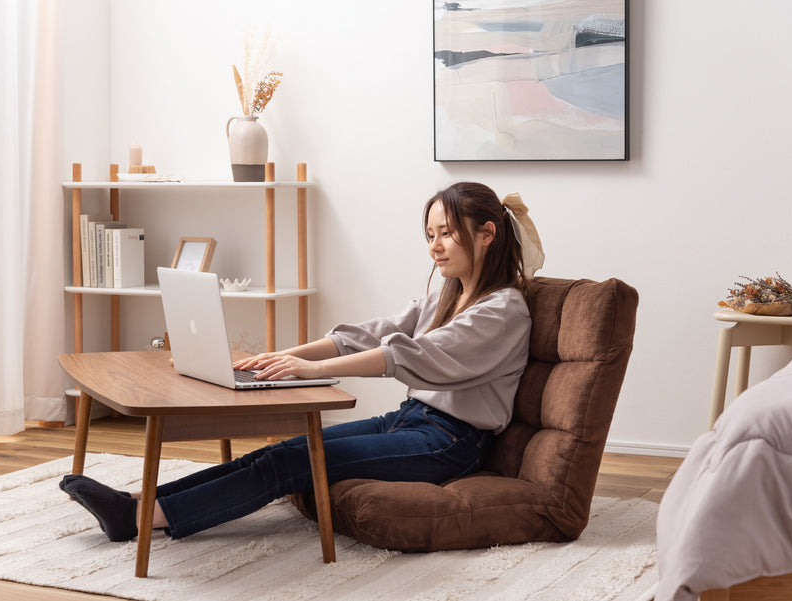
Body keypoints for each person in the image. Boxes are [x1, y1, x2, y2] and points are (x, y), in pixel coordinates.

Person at [59, 181, 533, 543]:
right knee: (279, 450)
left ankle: (139, 522)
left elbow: (412, 354)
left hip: (449, 443)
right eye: (430, 234)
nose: (434, 245)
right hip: (410, 420)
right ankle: (139, 502)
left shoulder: (503, 311)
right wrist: (288, 355)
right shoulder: (445, 295)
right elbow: (368, 333)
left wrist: (317, 372)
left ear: (487, 233)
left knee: (291, 461)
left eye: (446, 233)